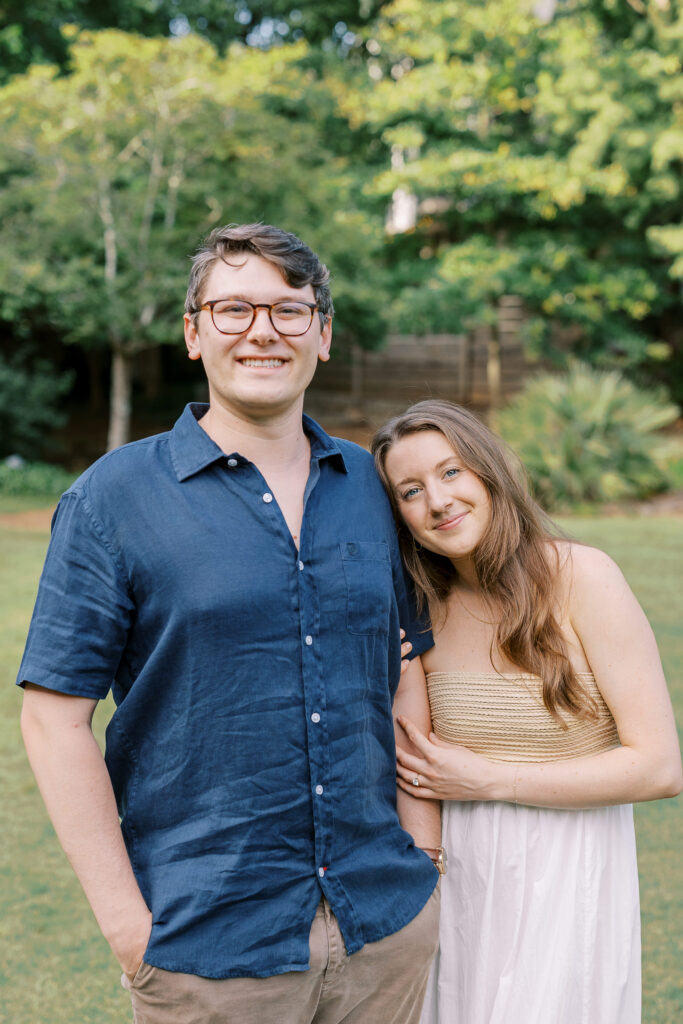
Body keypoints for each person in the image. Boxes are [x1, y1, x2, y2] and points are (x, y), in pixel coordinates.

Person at [17, 223, 443, 1024]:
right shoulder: (112, 500)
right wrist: (127, 926)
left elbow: (404, 658)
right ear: (193, 332)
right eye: (234, 308)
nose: (261, 331)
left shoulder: (367, 488)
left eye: (288, 311)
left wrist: (421, 854)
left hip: (383, 929)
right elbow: (51, 720)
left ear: (321, 334)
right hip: (206, 948)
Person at [371, 399, 682, 1024]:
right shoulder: (421, 607)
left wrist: (492, 779)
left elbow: (658, 768)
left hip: (567, 872)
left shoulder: (580, 577)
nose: (437, 500)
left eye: (451, 471)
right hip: (457, 879)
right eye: (410, 490)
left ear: (489, 472)